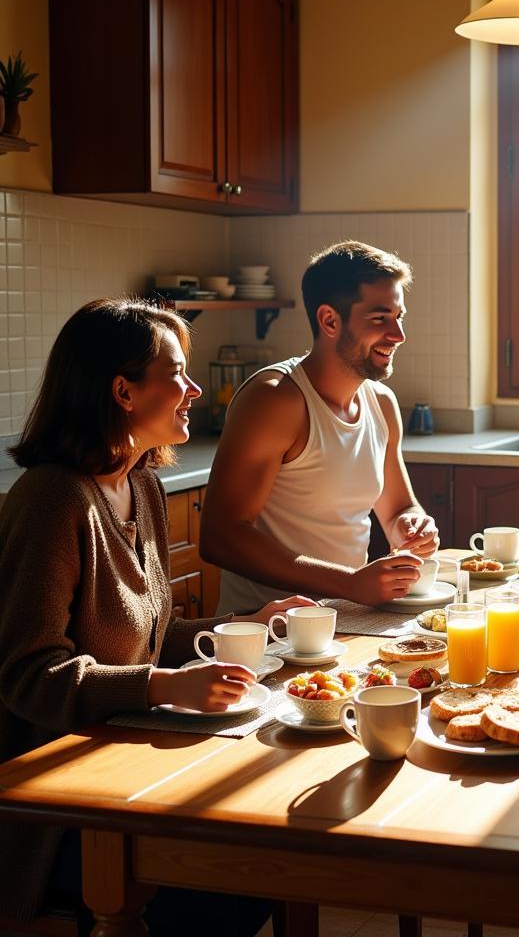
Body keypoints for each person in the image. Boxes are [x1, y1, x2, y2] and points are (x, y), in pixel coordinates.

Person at [0, 298, 313, 934]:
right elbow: (29, 675)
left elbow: (146, 636)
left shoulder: (140, 483)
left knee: (275, 849)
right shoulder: (54, 501)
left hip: (123, 759)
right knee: (247, 878)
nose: (196, 389)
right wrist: (163, 686)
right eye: (177, 372)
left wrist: (255, 621)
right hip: (57, 808)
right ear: (122, 390)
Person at [201, 241, 439, 616]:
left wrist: (412, 526)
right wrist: (350, 582)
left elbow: (396, 510)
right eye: (380, 318)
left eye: (399, 316)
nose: (398, 334)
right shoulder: (276, 400)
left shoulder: (381, 403)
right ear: (329, 320)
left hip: (344, 622)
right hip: (268, 635)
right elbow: (221, 536)